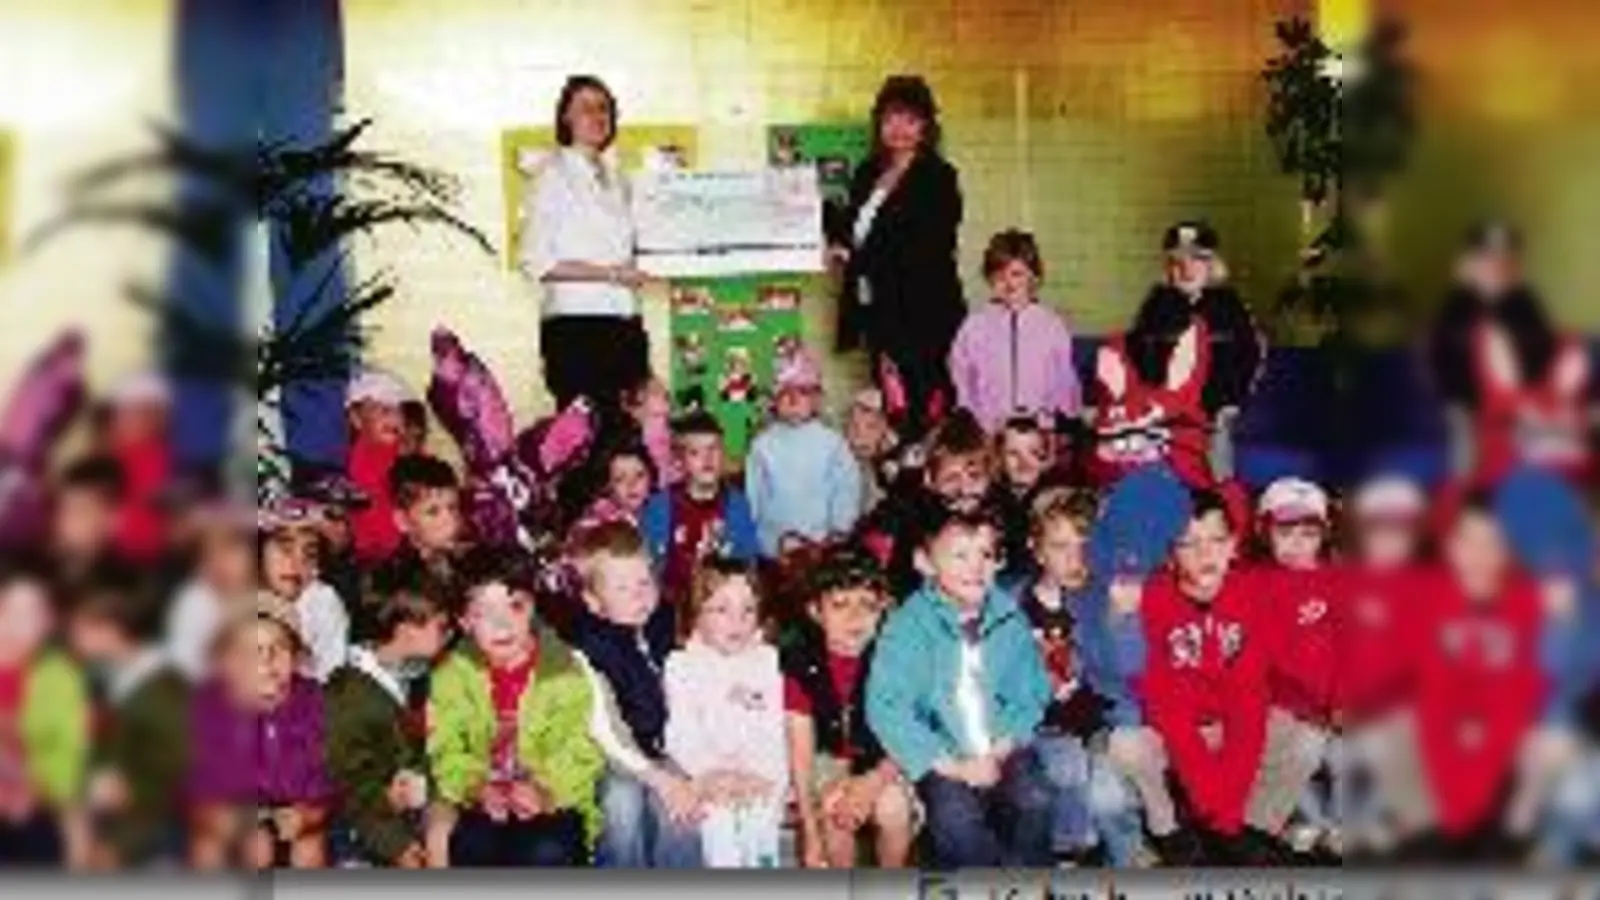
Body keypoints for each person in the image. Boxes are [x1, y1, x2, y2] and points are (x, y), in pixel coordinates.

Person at [866, 508, 1055, 868]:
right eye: (960, 555)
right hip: (943, 755)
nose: (976, 567)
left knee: (1035, 798)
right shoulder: (908, 627)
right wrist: (954, 767)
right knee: (956, 820)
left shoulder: (1009, 618)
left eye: (986, 554)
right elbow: (888, 708)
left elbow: (1031, 690)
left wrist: (1005, 744)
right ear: (925, 562)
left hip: (1000, 744)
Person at [427, 548, 603, 867]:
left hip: (554, 802)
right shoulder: (451, 676)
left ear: (532, 609)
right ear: (465, 621)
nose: (503, 624)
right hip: (482, 800)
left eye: (515, 607)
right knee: (471, 847)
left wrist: (545, 790)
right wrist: (476, 786)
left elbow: (581, 747)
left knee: (544, 852)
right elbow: (445, 749)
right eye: (485, 612)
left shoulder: (564, 670)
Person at [1136, 488, 1281, 864]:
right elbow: (1168, 704)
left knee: (1292, 732)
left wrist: (1227, 811)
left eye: (1217, 540)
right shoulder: (1154, 599)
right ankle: (1182, 823)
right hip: (1176, 726)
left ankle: (1239, 826)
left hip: (1229, 719)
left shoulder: (1251, 594)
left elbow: (1249, 699)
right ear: (1170, 555)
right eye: (1189, 543)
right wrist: (1208, 796)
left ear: (1233, 545)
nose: (1206, 554)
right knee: (1131, 747)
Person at [1407, 490, 1544, 860]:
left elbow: (1528, 692)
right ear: (1451, 546)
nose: (1480, 555)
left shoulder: (1526, 603)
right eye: (1469, 540)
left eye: (1493, 542)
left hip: (1502, 765)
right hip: (1436, 771)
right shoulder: (1426, 601)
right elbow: (1426, 703)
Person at [830, 75, 965, 439]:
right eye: (891, 118)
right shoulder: (867, 172)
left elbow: (927, 245)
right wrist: (837, 240)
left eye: (910, 119)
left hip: (923, 313)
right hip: (878, 310)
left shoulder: (939, 177)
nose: (899, 129)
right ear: (879, 124)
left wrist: (860, 257)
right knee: (890, 401)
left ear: (926, 126)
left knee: (924, 407)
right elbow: (853, 225)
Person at [564, 522, 702, 869]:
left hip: (660, 748)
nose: (639, 596)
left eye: (644, 583)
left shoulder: (664, 624)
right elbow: (605, 734)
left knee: (682, 806)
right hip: (608, 758)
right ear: (594, 602)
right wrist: (659, 777)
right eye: (622, 588)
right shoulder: (587, 649)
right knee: (621, 802)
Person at [520, 74, 654, 413]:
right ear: (566, 117)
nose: (598, 116)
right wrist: (610, 274)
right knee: (586, 443)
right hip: (578, 328)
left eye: (604, 108)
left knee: (625, 439)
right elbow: (539, 262)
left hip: (625, 319)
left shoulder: (619, 177)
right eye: (586, 108)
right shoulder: (551, 174)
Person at [782, 544, 916, 868]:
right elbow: (801, 758)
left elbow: (910, 736)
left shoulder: (895, 659)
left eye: (867, 605)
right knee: (834, 806)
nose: (854, 617)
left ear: (883, 607)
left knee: (893, 806)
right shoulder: (800, 665)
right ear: (816, 610)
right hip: (825, 762)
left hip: (887, 761)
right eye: (839, 605)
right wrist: (811, 839)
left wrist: (871, 783)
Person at [1426, 222, 1590, 485]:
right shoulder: (1456, 304)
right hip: (1465, 406)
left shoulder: (1524, 302)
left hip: (1521, 407)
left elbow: (1541, 353)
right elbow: (1445, 360)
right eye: (1487, 259)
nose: (1496, 267)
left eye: (1506, 260)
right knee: (1463, 435)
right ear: (1470, 263)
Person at [324, 555, 453, 868]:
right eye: (442, 626)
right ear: (407, 630)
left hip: (407, 816)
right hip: (361, 833)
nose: (449, 634)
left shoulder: (413, 676)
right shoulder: (350, 697)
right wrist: (395, 844)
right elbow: (348, 788)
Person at [187, 596, 334, 869]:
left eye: (279, 648)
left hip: (294, 808)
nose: (268, 660)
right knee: (208, 847)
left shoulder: (314, 702)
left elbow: (325, 776)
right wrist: (215, 817)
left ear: (296, 658)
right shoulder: (211, 704)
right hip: (234, 808)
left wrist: (308, 815)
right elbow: (195, 780)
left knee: (310, 846)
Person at [1015, 488, 1117, 863]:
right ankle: (1068, 852)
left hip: (1097, 720)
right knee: (1068, 766)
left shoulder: (1104, 599)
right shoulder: (1016, 607)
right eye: (1060, 547)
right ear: (1037, 550)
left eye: (1084, 545)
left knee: (1108, 788)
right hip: (1043, 724)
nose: (1075, 559)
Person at [663, 559, 787, 868]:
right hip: (709, 778)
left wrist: (756, 773)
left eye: (748, 610)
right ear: (695, 616)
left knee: (760, 823)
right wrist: (713, 773)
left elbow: (773, 728)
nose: (738, 622)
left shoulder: (767, 661)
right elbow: (681, 733)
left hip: (760, 774)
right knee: (718, 823)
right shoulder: (681, 665)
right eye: (721, 610)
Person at [65, 569, 188, 869]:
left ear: (110, 631)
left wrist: (130, 788)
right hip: (123, 817)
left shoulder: (162, 691)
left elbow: (183, 765)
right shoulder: (110, 682)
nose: (73, 639)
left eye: (81, 631)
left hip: (158, 827)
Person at [1247, 478, 1342, 855]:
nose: (1297, 544)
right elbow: (1264, 661)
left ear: (1325, 535)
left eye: (1309, 533)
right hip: (1286, 708)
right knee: (1306, 747)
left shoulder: (1338, 583)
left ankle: (1335, 823)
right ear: (1263, 531)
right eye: (1285, 532)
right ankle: (1301, 821)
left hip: (1332, 706)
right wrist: (1310, 707)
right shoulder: (1255, 585)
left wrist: (1340, 701)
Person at [1125, 221, 1263, 475]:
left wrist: (1231, 403)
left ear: (1211, 265)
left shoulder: (1229, 304)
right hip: (1165, 416)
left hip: (1214, 416)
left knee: (1216, 477)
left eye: (1196, 259)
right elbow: (1136, 356)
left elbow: (1250, 356)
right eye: (1177, 261)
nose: (1186, 268)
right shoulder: (1156, 304)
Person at [948, 229, 1082, 434]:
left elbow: (1064, 379)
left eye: (1016, 274)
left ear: (1034, 276)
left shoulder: (1051, 325)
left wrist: (1063, 420)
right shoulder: (974, 326)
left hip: (1039, 429)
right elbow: (962, 377)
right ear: (989, 279)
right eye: (999, 276)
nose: (1009, 283)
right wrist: (971, 418)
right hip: (988, 430)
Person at [0, 559, 88, 868]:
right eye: (13, 611)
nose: (22, 623)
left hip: (37, 807)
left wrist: (39, 788)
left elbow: (67, 752)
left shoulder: (59, 676)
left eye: (35, 614)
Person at [745, 348, 863, 559]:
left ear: (817, 399)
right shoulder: (762, 444)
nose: (792, 400)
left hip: (820, 543)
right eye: (784, 393)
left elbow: (846, 486)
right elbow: (753, 492)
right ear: (773, 401)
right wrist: (750, 539)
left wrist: (840, 529)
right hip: (772, 546)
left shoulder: (832, 442)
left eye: (802, 392)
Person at [639, 412, 759, 604]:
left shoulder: (737, 504)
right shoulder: (660, 506)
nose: (707, 458)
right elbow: (647, 565)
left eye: (714, 449)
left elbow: (747, 561)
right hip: (671, 602)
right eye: (695, 452)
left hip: (721, 603)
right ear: (679, 461)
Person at [257, 497, 350, 682]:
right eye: (285, 548)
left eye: (310, 554)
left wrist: (296, 652)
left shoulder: (323, 601)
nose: (297, 564)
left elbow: (331, 679)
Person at [165, 499, 256, 682]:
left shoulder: (279, 591)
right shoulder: (195, 601)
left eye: (230, 548)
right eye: (207, 554)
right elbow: (185, 669)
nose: (218, 562)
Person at [345, 367, 413, 568]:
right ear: (356, 419)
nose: (394, 419)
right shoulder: (361, 462)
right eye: (384, 411)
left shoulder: (395, 454)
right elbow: (374, 515)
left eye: (399, 411)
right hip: (378, 556)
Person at [991, 416, 1063, 585]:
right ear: (1000, 457)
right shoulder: (988, 501)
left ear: (1045, 457)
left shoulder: (1057, 500)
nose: (1024, 462)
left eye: (1033, 452)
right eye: (1013, 453)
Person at [388, 454, 465, 575]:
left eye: (452, 508)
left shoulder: (468, 564)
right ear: (402, 521)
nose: (449, 519)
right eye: (433, 512)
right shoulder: (395, 580)